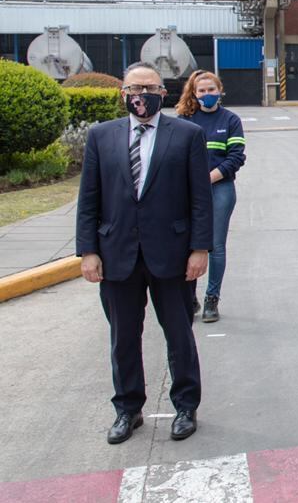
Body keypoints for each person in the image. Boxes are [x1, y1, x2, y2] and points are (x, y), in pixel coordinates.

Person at [74, 63, 213, 444]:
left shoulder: (187, 135)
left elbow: (201, 200)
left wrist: (200, 248)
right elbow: (88, 199)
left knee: (179, 335)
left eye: (150, 88)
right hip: (117, 255)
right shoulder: (101, 136)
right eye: (135, 88)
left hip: (172, 254)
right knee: (123, 338)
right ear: (123, 93)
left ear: (163, 92)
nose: (142, 95)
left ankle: (185, 406)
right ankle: (128, 409)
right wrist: (88, 251)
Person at [176, 70, 246, 323]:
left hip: (220, 189)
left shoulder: (230, 120)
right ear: (194, 94)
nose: (207, 94)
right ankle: (190, 296)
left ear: (220, 91)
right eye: (202, 91)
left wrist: (208, 179)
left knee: (215, 246)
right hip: (187, 190)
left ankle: (211, 299)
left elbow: (236, 157)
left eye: (211, 90)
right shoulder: (184, 120)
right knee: (187, 243)